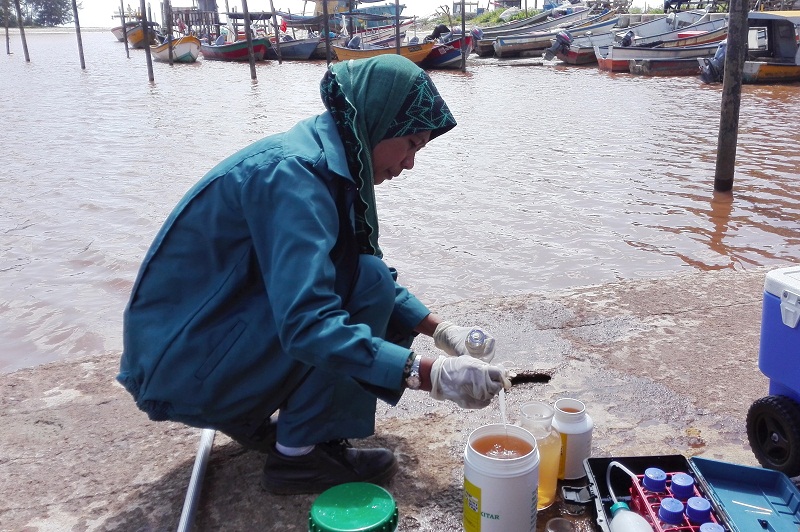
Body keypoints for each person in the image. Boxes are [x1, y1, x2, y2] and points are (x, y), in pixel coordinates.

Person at [117, 55, 510, 496]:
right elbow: (307, 324)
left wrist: (445, 332)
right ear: (377, 123)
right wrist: (429, 373)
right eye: (412, 144)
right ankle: (298, 457)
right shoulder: (293, 177)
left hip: (209, 342)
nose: (409, 163)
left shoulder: (330, 164)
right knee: (343, 302)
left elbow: (357, 272)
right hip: (188, 363)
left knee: (369, 277)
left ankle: (280, 422)